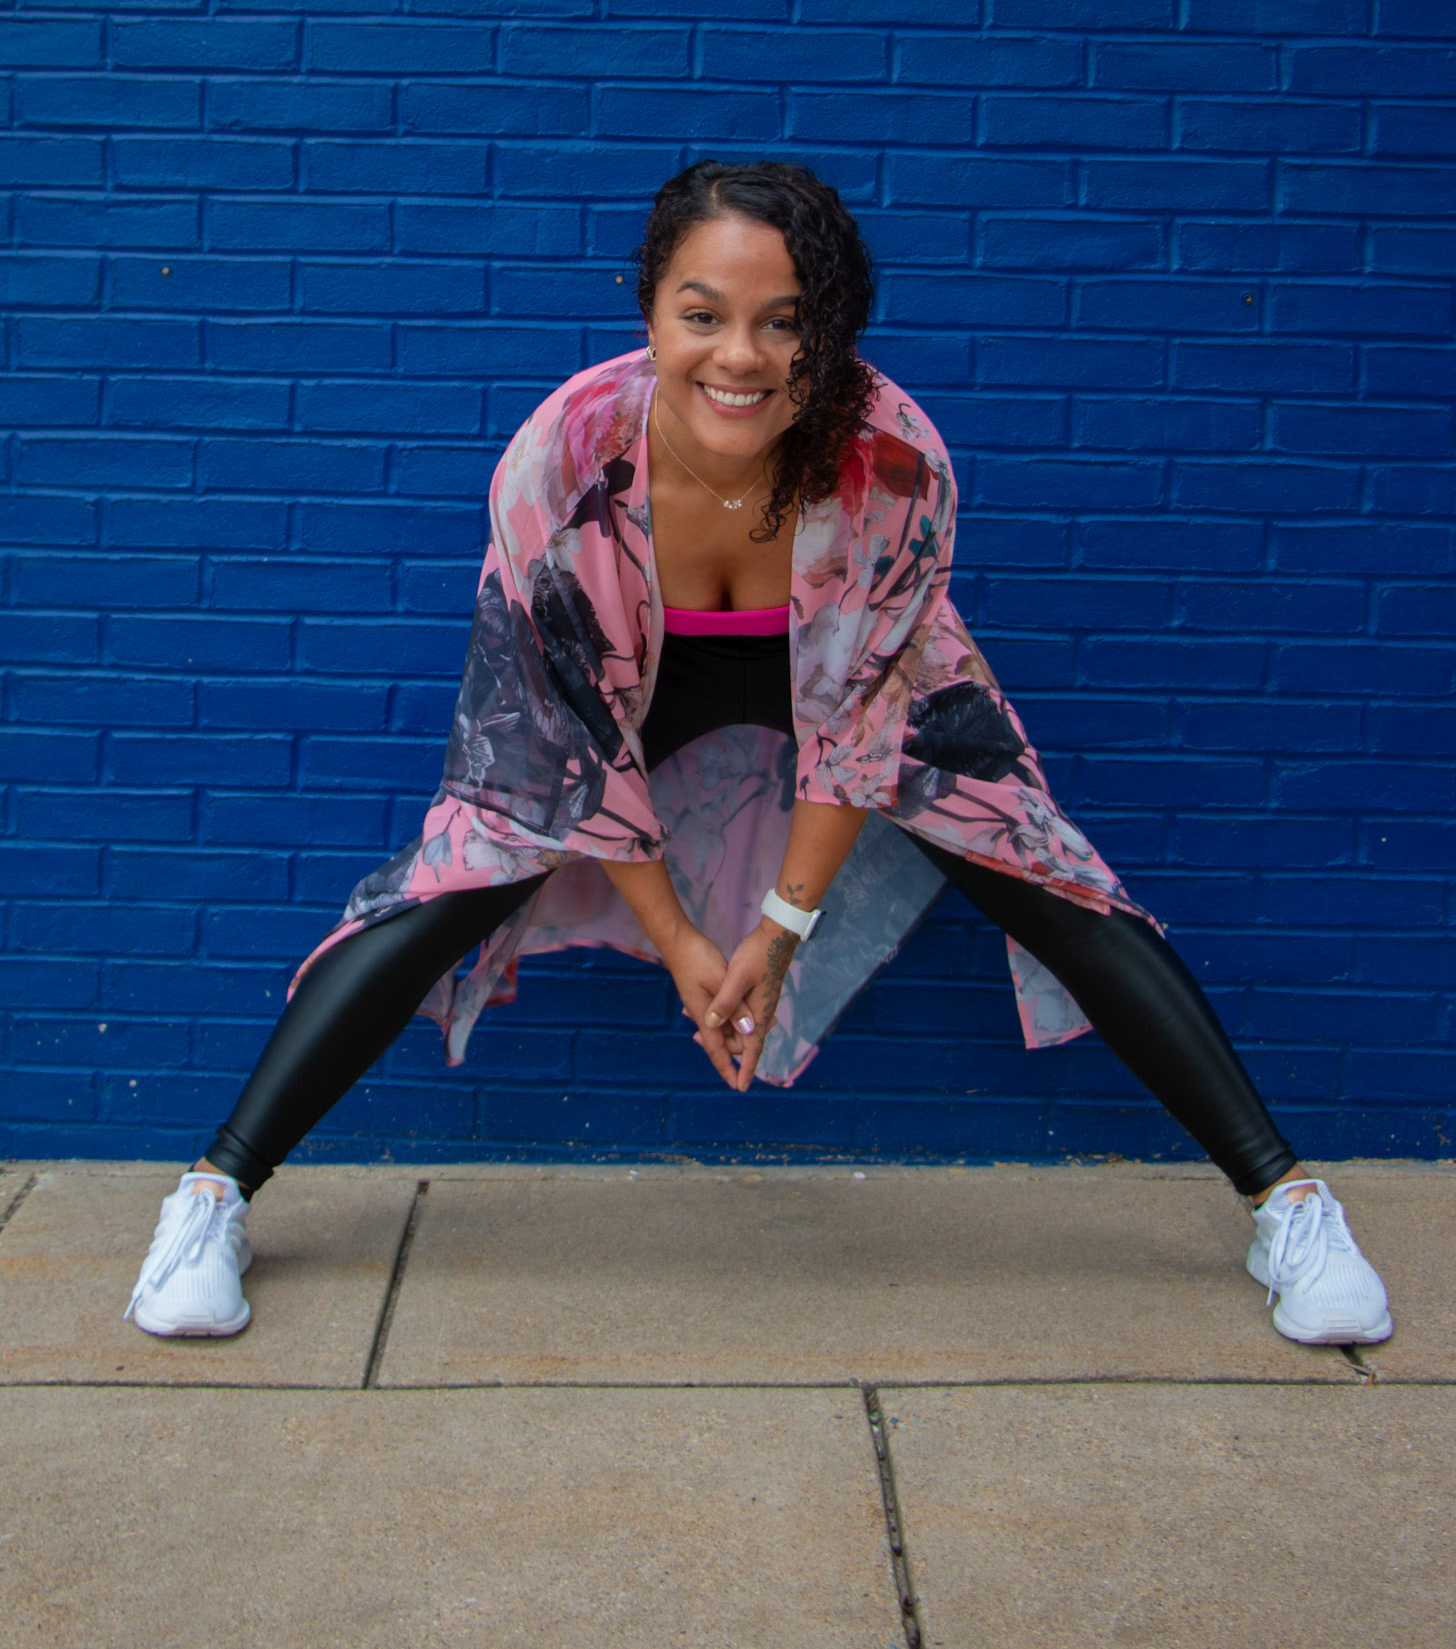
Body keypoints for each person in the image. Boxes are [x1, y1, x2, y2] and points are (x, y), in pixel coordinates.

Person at [125, 160, 1391, 1349]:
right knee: (464, 870)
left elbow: (855, 731)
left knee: (1037, 863)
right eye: (703, 314)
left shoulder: (895, 460)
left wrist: (775, 932)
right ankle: (212, 1194)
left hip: (849, 681)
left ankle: (1286, 1201)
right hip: (624, 689)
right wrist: (684, 941)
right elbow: (573, 742)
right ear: (648, 309)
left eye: (786, 322)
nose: (741, 356)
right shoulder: (562, 460)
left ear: (827, 330)